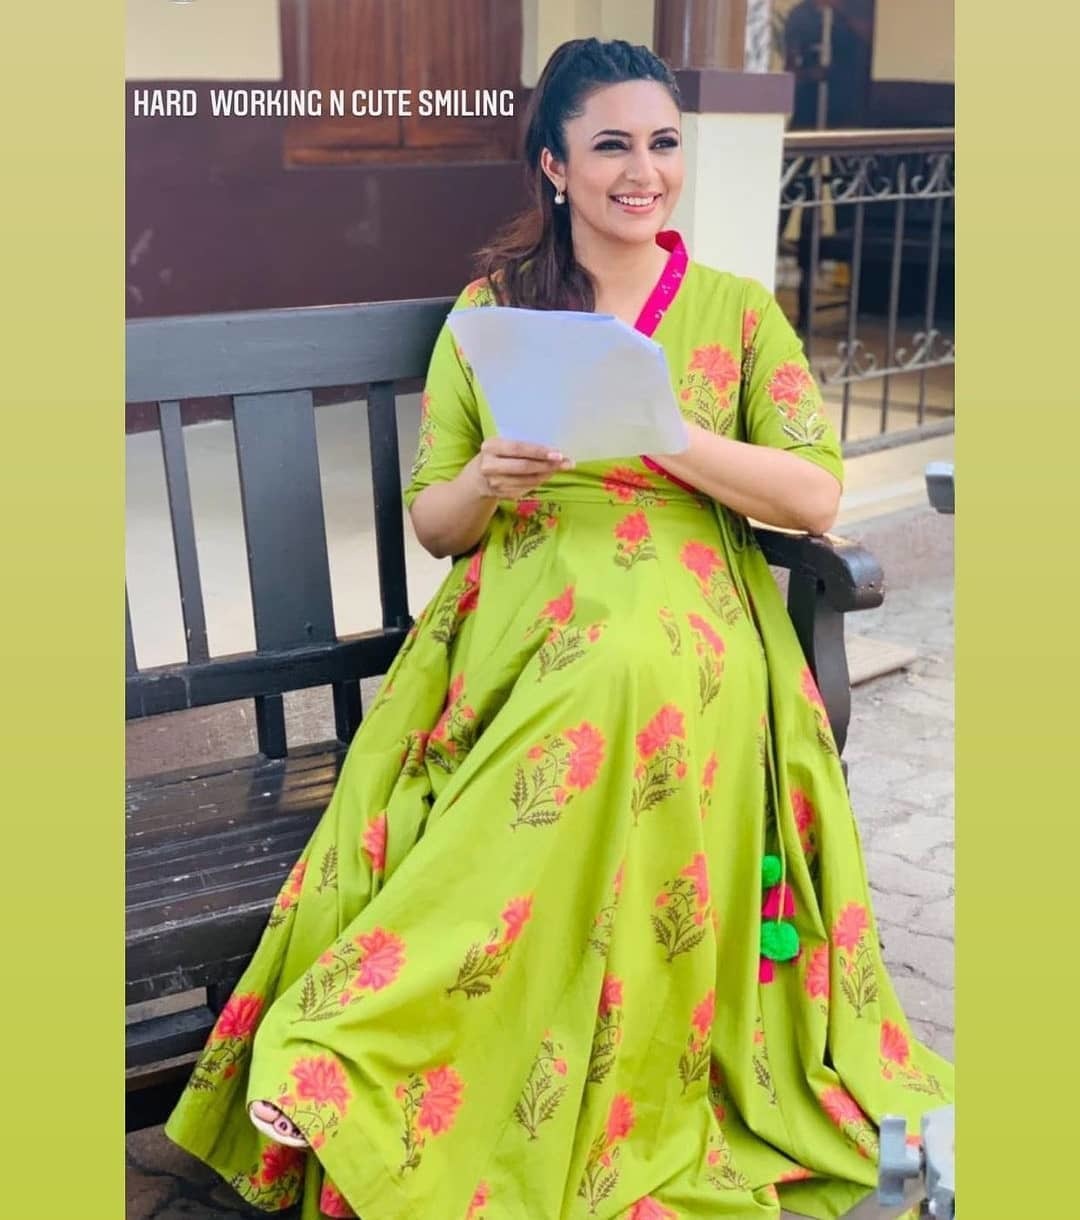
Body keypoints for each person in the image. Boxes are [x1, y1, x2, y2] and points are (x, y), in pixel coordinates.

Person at [165, 37, 952, 1220]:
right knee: (591, 670)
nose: (645, 171)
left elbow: (813, 493)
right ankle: (375, 1047)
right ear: (554, 165)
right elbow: (436, 523)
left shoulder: (738, 314)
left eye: (664, 143)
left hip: (686, 594)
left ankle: (350, 1040)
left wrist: (667, 434)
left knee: (626, 664)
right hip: (526, 593)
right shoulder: (493, 316)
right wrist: (486, 477)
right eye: (612, 146)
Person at [784, 0, 874, 130]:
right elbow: (791, 64)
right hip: (809, 100)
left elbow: (866, 42)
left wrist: (842, 13)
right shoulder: (801, 14)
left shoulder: (856, 10)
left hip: (847, 101)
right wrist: (809, 74)